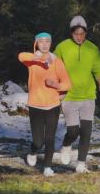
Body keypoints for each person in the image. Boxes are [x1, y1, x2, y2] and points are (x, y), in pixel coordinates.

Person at [54, 16, 100, 173]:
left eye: (82, 33)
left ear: (86, 33)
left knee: (86, 131)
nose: (79, 36)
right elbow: (54, 67)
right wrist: (56, 87)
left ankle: (81, 164)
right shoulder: (62, 47)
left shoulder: (92, 49)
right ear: (71, 33)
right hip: (69, 96)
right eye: (76, 33)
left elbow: (98, 68)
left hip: (88, 96)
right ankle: (66, 144)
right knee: (73, 131)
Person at [18, 32, 72, 176]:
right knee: (38, 141)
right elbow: (21, 56)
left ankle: (48, 167)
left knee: (50, 138)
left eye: (47, 41)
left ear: (51, 43)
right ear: (36, 43)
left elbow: (67, 83)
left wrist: (57, 85)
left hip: (53, 105)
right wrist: (40, 58)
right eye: (41, 41)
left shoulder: (57, 61)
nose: (44, 44)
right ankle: (33, 150)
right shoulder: (32, 60)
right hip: (35, 105)